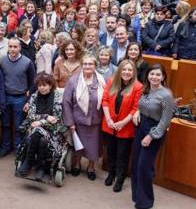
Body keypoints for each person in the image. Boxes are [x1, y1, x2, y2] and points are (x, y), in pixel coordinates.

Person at [131, 64, 176, 209]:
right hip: (140, 126)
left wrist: (151, 136)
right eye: (152, 74)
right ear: (148, 75)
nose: (154, 77)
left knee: (144, 167)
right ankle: (137, 196)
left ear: (163, 77)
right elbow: (142, 106)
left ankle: (145, 202)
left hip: (154, 130)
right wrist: (138, 112)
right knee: (136, 163)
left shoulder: (167, 95)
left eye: (158, 75)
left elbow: (165, 120)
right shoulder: (146, 89)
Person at [101, 60, 143, 192]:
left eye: (130, 70)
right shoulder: (112, 81)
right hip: (110, 124)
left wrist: (123, 122)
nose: (126, 72)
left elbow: (136, 108)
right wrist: (108, 118)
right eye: (124, 69)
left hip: (126, 127)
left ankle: (120, 178)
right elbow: (105, 100)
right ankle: (111, 174)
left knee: (122, 155)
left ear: (134, 72)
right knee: (110, 152)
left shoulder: (138, 87)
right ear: (120, 70)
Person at [63, 54, 106, 180]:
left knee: (94, 146)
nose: (88, 66)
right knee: (78, 145)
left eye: (90, 64)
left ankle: (91, 167)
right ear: (81, 66)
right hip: (78, 120)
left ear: (95, 66)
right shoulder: (73, 80)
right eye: (85, 64)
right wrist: (70, 122)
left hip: (96, 120)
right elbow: (66, 102)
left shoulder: (101, 80)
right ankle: (77, 164)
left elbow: (107, 99)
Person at [16, 73, 65, 182]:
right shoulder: (34, 96)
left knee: (39, 134)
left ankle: (28, 163)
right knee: (41, 138)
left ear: (50, 86)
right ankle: (40, 168)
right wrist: (47, 117)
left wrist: (40, 122)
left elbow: (56, 118)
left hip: (53, 130)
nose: (41, 88)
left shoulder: (57, 97)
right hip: (35, 128)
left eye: (44, 85)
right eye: (39, 85)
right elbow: (31, 115)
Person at [0, 37, 36, 156]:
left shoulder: (27, 62)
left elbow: (33, 83)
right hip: (6, 96)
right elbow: (0, 80)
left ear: (20, 47)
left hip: (20, 98)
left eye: (15, 47)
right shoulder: (2, 61)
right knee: (5, 124)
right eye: (10, 46)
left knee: (19, 125)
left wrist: (28, 101)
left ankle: (18, 147)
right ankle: (5, 147)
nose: (13, 49)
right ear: (7, 47)